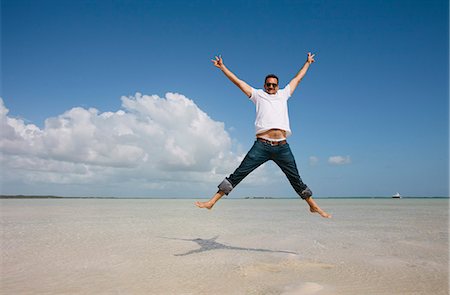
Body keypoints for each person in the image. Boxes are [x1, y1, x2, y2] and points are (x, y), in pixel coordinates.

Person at [195, 52, 331, 218]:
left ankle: (313, 206)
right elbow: (238, 82)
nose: (271, 87)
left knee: (295, 178)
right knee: (239, 173)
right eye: (268, 85)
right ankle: (212, 202)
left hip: (282, 147)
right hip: (261, 145)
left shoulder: (284, 94)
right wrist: (222, 67)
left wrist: (308, 63)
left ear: (278, 86)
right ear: (264, 85)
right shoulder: (258, 95)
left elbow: (298, 78)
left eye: (274, 85)